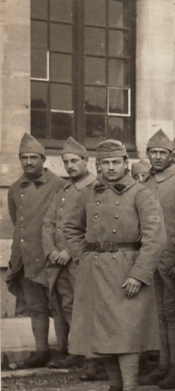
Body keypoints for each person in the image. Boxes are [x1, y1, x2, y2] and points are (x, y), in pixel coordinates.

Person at [63, 139, 166, 391]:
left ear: (125, 164)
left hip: (127, 270)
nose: (110, 168)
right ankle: (114, 389)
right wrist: (81, 257)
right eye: (105, 163)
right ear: (98, 165)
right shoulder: (88, 193)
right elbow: (71, 226)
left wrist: (139, 274)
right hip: (94, 270)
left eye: (115, 162)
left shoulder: (141, 194)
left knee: (127, 333)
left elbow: (156, 238)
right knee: (102, 332)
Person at [139, 128, 175, 389]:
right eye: (154, 152)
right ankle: (163, 364)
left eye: (164, 153)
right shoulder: (146, 184)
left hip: (173, 257)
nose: (159, 157)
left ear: (171, 156)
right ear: (148, 154)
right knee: (160, 313)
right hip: (152, 257)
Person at [6, 133, 64, 368]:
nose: (29, 162)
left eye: (33, 157)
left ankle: (64, 351)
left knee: (59, 306)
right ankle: (41, 350)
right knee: (36, 307)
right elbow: (16, 220)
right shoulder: (14, 188)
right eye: (24, 158)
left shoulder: (58, 185)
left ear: (43, 159)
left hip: (51, 257)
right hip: (26, 257)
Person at [41, 137, 95, 370]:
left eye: (75, 161)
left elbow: (92, 227)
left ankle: (90, 355)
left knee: (85, 306)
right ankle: (75, 351)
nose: (70, 166)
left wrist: (68, 252)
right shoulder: (64, 189)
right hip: (58, 261)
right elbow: (48, 223)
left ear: (86, 161)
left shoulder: (93, 187)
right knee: (66, 306)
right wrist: (51, 251)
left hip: (79, 260)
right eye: (66, 162)